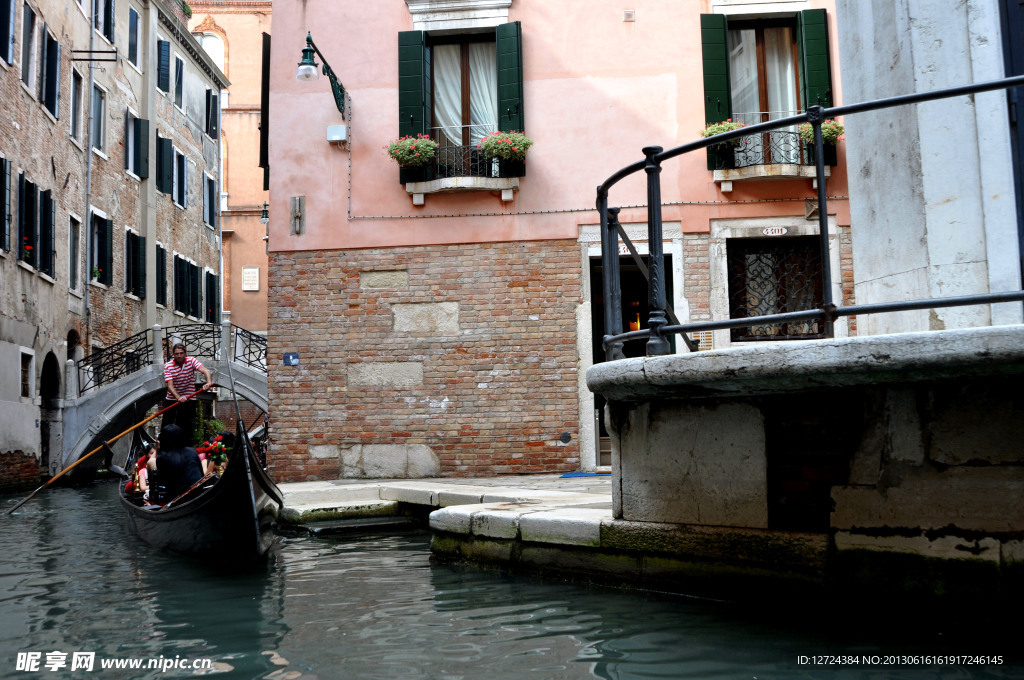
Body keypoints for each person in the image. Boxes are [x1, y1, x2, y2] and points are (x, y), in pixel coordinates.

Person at [163, 343, 213, 444]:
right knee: (167, 425)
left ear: (185, 353)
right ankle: (165, 447)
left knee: (186, 426)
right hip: (172, 398)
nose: (179, 356)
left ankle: (185, 448)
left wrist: (208, 383)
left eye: (181, 353)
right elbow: (170, 386)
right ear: (173, 354)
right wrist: (178, 397)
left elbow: (205, 371)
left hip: (189, 398)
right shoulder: (168, 366)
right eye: (177, 353)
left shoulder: (191, 361)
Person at [148, 424, 204, 503]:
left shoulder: (162, 457)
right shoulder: (192, 451)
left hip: (178, 500)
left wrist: (158, 449)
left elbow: (163, 483)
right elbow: (202, 475)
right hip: (199, 495)